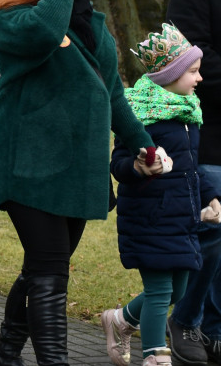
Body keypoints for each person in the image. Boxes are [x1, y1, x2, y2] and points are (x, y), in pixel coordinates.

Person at [0, 0, 156, 366]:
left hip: (78, 172)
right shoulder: (9, 18)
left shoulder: (88, 22)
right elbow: (43, 30)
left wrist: (143, 144)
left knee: (40, 270)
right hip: (30, 167)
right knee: (50, 274)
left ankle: (5, 355)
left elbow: (112, 91)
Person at [101, 24, 220, 366]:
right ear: (171, 74)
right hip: (150, 218)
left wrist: (211, 198)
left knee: (178, 292)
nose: (199, 79)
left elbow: (192, 168)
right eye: (193, 72)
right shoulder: (139, 116)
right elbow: (119, 162)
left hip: (183, 220)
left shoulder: (187, 114)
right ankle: (155, 356)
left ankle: (121, 319)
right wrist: (138, 168)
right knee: (159, 293)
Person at [166, 0, 221, 365]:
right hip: (209, 137)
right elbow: (188, 63)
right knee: (210, 232)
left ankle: (214, 331)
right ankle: (184, 320)